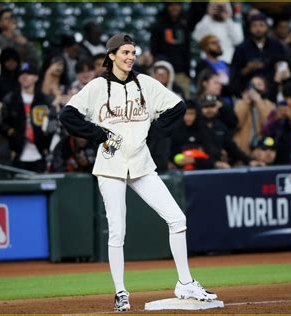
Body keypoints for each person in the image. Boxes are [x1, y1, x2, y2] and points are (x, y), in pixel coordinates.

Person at [59, 34, 217, 311]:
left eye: (133, 52)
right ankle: (121, 292)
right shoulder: (97, 87)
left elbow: (177, 107)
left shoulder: (145, 83)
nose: (130, 56)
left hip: (142, 165)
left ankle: (185, 283)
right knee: (117, 231)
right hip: (110, 167)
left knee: (177, 219)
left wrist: (154, 133)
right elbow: (67, 115)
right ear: (111, 55)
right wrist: (98, 134)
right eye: (125, 52)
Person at [1, 63, 52, 173]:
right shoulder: (10, 100)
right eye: (21, 74)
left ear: (36, 77)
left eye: (28, 74)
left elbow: (51, 123)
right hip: (17, 154)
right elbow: (3, 123)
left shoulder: (44, 100)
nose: (24, 76)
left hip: (40, 153)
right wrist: (13, 134)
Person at [230, 13, 288, 99]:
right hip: (248, 93)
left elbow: (284, 64)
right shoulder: (241, 48)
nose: (258, 29)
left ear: (267, 27)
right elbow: (235, 74)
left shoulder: (276, 45)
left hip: (272, 92)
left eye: (261, 25)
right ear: (249, 28)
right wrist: (248, 69)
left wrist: (281, 70)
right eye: (254, 25)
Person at [150, 3, 192, 96]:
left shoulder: (184, 26)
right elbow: (154, 50)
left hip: (181, 74)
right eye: (171, 4)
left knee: (183, 104)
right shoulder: (158, 26)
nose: (175, 7)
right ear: (167, 7)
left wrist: (187, 73)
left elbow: (187, 51)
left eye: (178, 4)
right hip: (163, 73)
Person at [233, 75, 275, 156]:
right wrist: (245, 103)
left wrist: (258, 102)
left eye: (259, 84)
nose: (255, 88)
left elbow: (269, 125)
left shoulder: (270, 105)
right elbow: (236, 124)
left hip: (262, 151)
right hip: (242, 151)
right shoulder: (240, 103)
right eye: (252, 85)